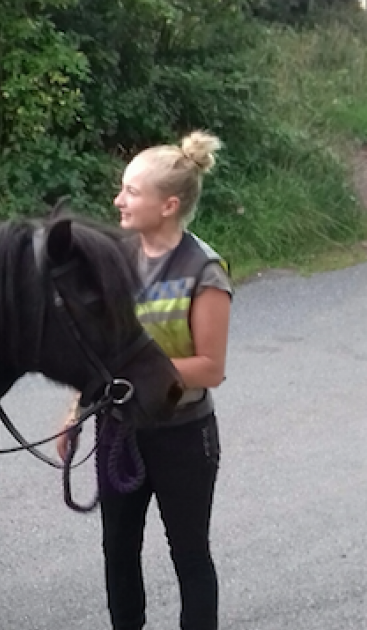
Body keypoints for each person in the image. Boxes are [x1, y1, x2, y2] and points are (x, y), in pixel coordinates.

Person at [57, 131, 232, 630]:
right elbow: (96, 348)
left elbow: (210, 367)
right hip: (118, 430)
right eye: (122, 189)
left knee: (190, 554)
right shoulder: (111, 257)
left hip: (182, 434)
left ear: (168, 204)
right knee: (118, 551)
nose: (118, 200)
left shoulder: (204, 270)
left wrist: (131, 374)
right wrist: (75, 413)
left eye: (132, 191)